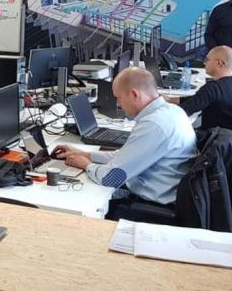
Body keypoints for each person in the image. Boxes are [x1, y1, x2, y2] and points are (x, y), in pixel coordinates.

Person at [54, 68, 196, 218]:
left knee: (78, 206)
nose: (118, 104)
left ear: (134, 94)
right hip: (166, 197)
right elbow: (126, 156)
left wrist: (86, 165)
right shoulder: (172, 111)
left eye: (119, 98)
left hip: (151, 208)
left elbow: (111, 178)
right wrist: (86, 154)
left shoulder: (154, 124)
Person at [164, 45, 232, 130]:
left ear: (219, 63)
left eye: (207, 60)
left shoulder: (213, 87)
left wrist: (159, 107)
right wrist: (171, 99)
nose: (204, 63)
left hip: (213, 135)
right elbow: (198, 99)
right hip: (227, 134)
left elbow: (183, 111)